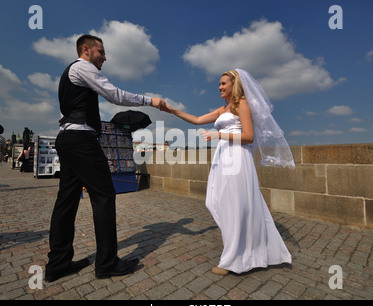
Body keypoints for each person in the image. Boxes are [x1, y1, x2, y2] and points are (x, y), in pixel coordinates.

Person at [45, 34, 167, 282]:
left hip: (67, 138)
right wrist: (149, 100)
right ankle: (107, 263)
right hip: (81, 141)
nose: (104, 56)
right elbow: (115, 95)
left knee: (66, 202)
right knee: (104, 195)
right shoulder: (83, 67)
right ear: (86, 49)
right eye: (100, 51)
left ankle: (58, 264)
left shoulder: (67, 74)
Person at [163, 69, 294, 275]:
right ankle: (242, 247)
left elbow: (249, 136)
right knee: (213, 201)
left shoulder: (242, 104)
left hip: (237, 157)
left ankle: (233, 260)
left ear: (235, 84)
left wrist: (219, 134)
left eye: (223, 83)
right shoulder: (223, 109)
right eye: (219, 84)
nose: (219, 87)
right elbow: (197, 120)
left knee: (234, 205)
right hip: (222, 157)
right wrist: (172, 111)